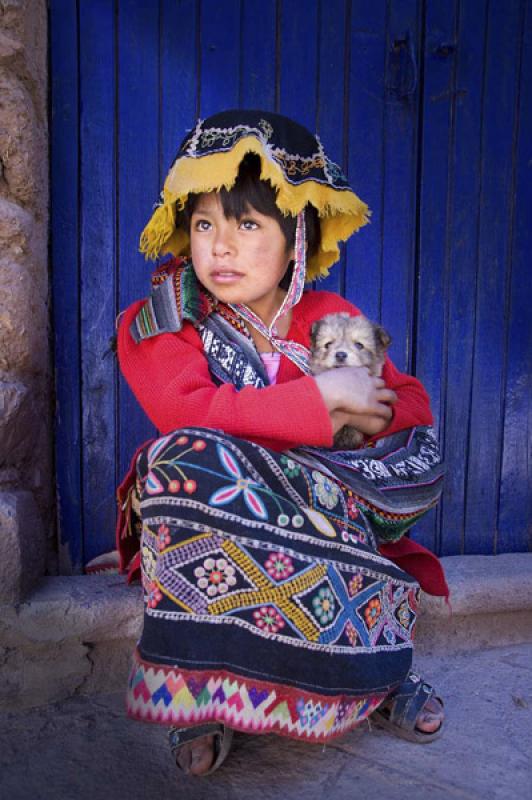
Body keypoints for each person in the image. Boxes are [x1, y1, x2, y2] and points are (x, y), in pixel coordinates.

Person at [116, 110, 447, 777]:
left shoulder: (330, 321)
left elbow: (412, 406)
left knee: (352, 477)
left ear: (296, 237)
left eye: (247, 225)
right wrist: (324, 403)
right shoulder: (163, 321)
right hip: (222, 528)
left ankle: (376, 673)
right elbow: (189, 413)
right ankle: (200, 695)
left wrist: (360, 414)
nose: (221, 248)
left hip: (328, 520)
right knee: (179, 459)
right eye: (205, 224)